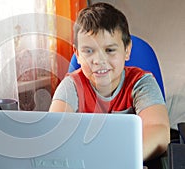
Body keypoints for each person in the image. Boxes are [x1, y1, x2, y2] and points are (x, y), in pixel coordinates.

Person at [49, 2, 170, 162]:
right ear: (77, 54)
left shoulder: (141, 82)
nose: (99, 60)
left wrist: (117, 160)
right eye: (88, 51)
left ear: (127, 50)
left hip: (128, 161)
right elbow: (55, 135)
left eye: (110, 50)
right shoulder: (71, 85)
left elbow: (159, 130)